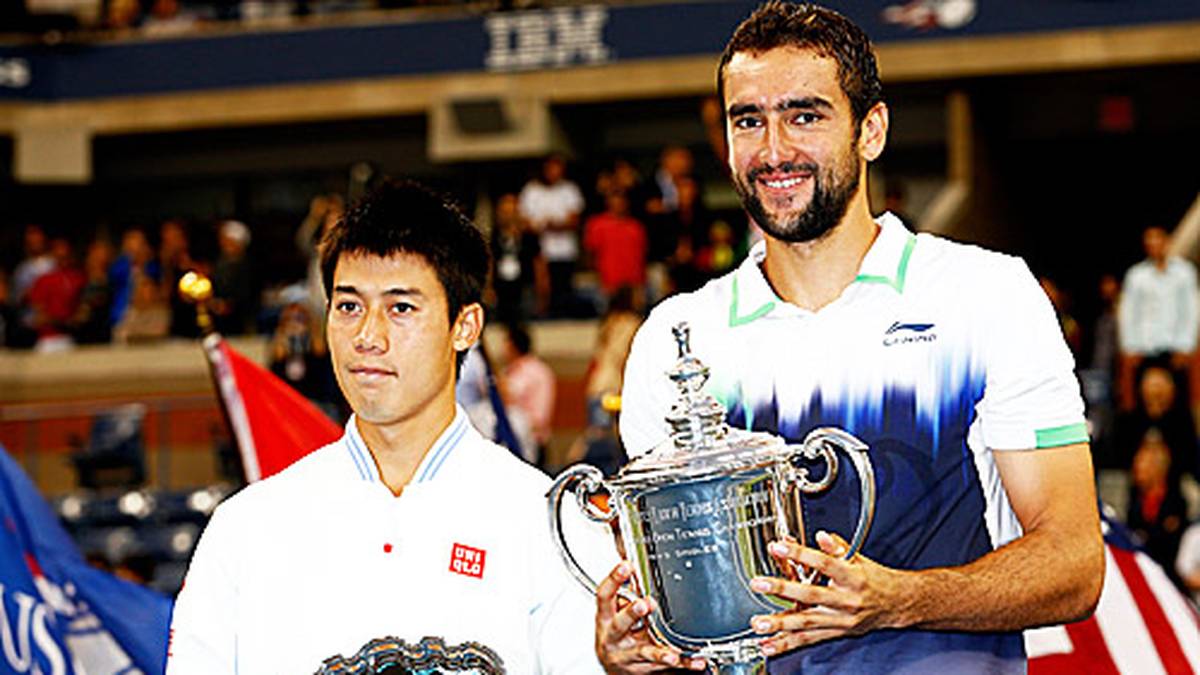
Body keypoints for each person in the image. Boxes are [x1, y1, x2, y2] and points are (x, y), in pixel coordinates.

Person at [597, 3, 1103, 673]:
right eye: (748, 121)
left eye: (804, 116)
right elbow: (675, 608)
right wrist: (628, 652)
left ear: (872, 130)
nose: (774, 151)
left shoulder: (986, 294)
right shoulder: (674, 339)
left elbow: (1073, 562)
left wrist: (900, 600)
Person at [167, 180, 609, 674]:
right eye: (349, 307)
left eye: (401, 308)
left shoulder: (549, 526)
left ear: (465, 326)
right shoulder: (246, 529)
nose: (367, 336)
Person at [1117, 225, 1199, 411]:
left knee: (1179, 407)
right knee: (1142, 407)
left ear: (1167, 242)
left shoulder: (1184, 273)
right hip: (1143, 350)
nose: (1154, 244)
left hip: (1176, 350)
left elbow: (1191, 310)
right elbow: (1129, 312)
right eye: (1149, 241)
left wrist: (1185, 346)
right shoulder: (1136, 275)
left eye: (1157, 239)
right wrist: (1130, 347)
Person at [519, 155, 584, 318]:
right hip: (539, 251)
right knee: (541, 292)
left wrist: (551, 225)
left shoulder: (569, 190)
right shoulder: (531, 190)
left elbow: (574, 220)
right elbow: (524, 222)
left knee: (564, 291)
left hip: (564, 251)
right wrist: (550, 225)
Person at [500, 323, 556, 465]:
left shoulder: (531, 371)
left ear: (512, 346)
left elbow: (508, 395)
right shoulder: (515, 370)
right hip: (520, 437)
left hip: (530, 440)